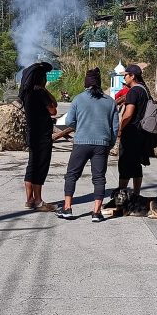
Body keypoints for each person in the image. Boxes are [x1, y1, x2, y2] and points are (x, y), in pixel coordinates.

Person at [57, 68, 117, 223]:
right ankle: (96, 213)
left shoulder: (78, 99)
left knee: (71, 175)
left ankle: (67, 208)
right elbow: (115, 127)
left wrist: (81, 126)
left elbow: (69, 121)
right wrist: (109, 143)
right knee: (99, 178)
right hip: (102, 144)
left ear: (86, 83)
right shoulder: (110, 102)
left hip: (81, 143)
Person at [19, 61, 57, 211]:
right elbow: (53, 110)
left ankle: (29, 199)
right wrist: (44, 89)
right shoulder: (39, 92)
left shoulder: (26, 93)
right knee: (41, 167)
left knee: (32, 166)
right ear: (41, 78)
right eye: (45, 77)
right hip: (42, 135)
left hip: (31, 133)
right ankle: (39, 201)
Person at [116, 64, 155, 200]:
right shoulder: (144, 90)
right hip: (142, 133)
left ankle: (121, 196)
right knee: (137, 165)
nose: (124, 78)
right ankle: (136, 194)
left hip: (131, 132)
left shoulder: (133, 92)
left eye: (125, 75)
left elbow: (128, 114)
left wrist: (120, 129)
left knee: (125, 164)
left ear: (132, 76)